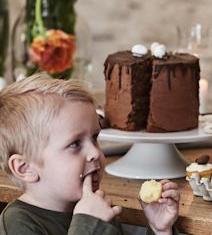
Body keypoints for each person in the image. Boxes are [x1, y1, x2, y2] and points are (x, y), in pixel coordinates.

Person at [0, 74, 180, 235]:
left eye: (95, 137)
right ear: (25, 168)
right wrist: (89, 225)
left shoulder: (96, 208)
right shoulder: (17, 224)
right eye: (74, 144)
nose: (95, 152)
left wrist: (160, 229)